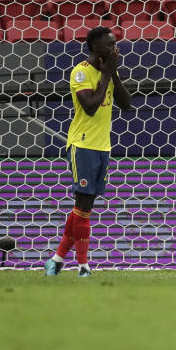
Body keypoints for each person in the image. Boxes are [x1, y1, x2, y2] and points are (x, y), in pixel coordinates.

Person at [44, 26, 131, 278]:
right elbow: (91, 107)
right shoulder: (81, 72)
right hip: (82, 144)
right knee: (83, 204)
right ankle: (83, 267)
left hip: (103, 146)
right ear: (95, 47)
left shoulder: (108, 72)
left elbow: (126, 105)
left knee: (84, 207)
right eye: (109, 44)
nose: (115, 48)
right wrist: (105, 75)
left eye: (115, 43)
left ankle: (57, 260)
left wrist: (113, 75)